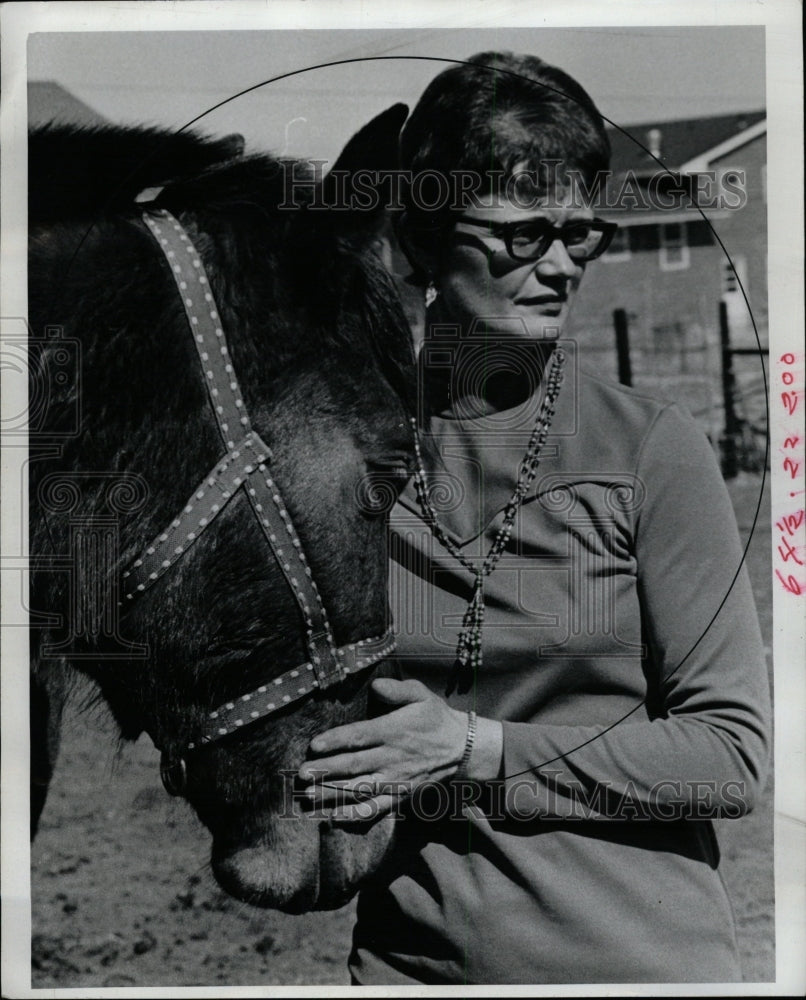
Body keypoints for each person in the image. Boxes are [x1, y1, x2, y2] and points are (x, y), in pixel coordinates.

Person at [297, 51, 771, 985]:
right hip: (408, 966)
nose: (559, 266)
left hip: (632, 965)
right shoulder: (348, 457)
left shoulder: (651, 451)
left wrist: (479, 750)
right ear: (426, 239)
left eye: (579, 235)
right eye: (522, 234)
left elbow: (729, 757)